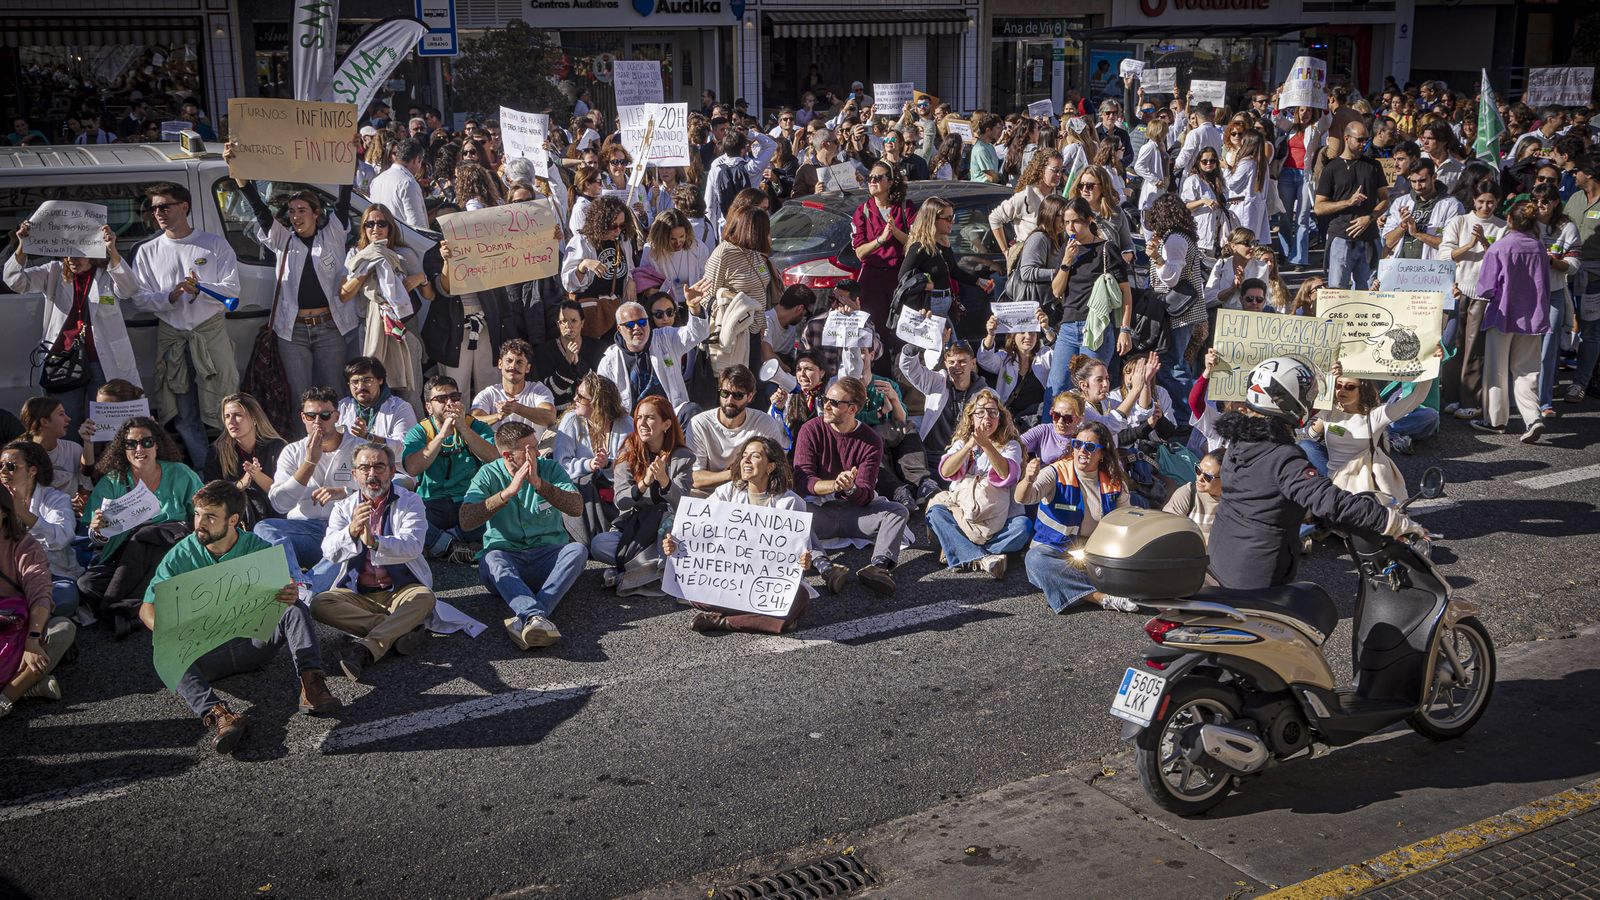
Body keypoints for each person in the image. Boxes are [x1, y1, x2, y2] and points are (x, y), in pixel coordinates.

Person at [141, 481, 339, 752]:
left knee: (294, 608)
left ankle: (311, 684)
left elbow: (284, 590)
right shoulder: (180, 555)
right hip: (207, 652)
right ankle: (219, 715)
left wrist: (288, 592)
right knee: (162, 647)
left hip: (253, 644)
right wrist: (164, 629)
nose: (200, 522)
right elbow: (146, 609)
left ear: (233, 520)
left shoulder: (255, 547)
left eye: (210, 516)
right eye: (197, 514)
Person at [1209, 356, 1423, 589]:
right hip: (1258, 572)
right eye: (1304, 393)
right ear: (1286, 400)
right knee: (1318, 608)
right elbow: (1331, 502)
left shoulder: (1238, 443)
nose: (1309, 400)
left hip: (1222, 557)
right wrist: (1392, 521)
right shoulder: (1283, 457)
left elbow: (1262, 496)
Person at [227, 162, 358, 419]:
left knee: (335, 393)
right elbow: (259, 209)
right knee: (302, 397)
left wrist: (349, 157)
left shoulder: (332, 235)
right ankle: (303, 451)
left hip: (330, 328)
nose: (296, 216)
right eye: (292, 211)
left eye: (302, 210)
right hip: (293, 332)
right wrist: (240, 174)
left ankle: (338, 445)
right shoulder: (283, 240)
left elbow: (344, 199)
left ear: (316, 213)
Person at [128, 182, 241, 466]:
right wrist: (171, 296)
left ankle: (228, 467)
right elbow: (139, 300)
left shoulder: (214, 245)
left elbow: (233, 290)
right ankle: (204, 470)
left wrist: (200, 288)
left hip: (209, 333)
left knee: (223, 405)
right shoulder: (147, 251)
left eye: (164, 206)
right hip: (173, 337)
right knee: (183, 412)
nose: (158, 213)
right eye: (154, 208)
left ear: (184, 207)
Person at [663, 436, 815, 634]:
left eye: (755, 456)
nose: (746, 461)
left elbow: (798, 556)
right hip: (731, 581)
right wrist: (675, 544)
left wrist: (804, 561)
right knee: (694, 592)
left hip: (767, 585)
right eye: (744, 456)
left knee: (799, 596)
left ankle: (722, 621)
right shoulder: (727, 492)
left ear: (770, 467)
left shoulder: (790, 502)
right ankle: (765, 620)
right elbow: (696, 530)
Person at [311, 443, 438, 682]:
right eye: (365, 468)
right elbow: (329, 551)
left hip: (401, 590)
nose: (372, 474)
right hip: (358, 594)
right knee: (319, 603)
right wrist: (350, 531)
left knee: (425, 598)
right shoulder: (344, 508)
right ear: (354, 475)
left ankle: (365, 648)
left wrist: (375, 542)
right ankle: (398, 630)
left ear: (391, 471)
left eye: (379, 467)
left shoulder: (410, 501)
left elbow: (413, 545)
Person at [460, 421, 587, 650]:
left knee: (577, 550)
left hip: (548, 558)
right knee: (492, 559)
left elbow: (576, 508)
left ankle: (531, 616)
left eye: (536, 447)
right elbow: (466, 519)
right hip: (507, 560)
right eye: (529, 449)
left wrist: (540, 485)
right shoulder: (488, 474)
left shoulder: (549, 469)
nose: (538, 453)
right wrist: (507, 493)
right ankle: (537, 616)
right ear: (508, 456)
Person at [79, 417, 203, 638]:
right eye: (131, 444)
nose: (139, 449)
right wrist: (97, 531)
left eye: (146, 442)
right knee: (87, 584)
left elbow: (202, 511)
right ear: (122, 448)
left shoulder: (180, 473)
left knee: (146, 535)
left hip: (170, 546)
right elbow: (97, 539)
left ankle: (118, 608)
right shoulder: (112, 481)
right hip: (125, 553)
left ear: (157, 444)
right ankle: (142, 611)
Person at [6, 221, 140, 426]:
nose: (71, 259)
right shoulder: (53, 271)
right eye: (67, 254)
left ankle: (101, 457)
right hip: (63, 360)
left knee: (106, 424)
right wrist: (23, 246)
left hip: (102, 360)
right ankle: (74, 457)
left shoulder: (107, 274)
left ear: (94, 253)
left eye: (78, 253)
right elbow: (16, 281)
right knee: (66, 423)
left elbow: (129, 288)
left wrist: (112, 250)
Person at [792, 376, 909, 596]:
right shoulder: (810, 429)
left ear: (853, 409)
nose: (826, 405)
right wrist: (834, 485)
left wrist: (850, 488)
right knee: (790, 507)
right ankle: (826, 568)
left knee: (898, 511)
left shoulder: (871, 440)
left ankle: (878, 568)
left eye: (834, 403)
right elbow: (802, 480)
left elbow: (865, 494)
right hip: (819, 510)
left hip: (855, 512)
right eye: (826, 399)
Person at [1016, 421, 1136, 613]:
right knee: (1035, 560)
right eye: (1077, 444)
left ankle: (1071, 588)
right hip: (1055, 552)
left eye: (1090, 447)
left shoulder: (1115, 481)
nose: (1082, 451)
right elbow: (1023, 498)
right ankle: (1102, 597)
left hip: (1094, 554)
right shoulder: (1055, 472)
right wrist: (1028, 480)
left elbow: (1126, 523)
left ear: (1102, 453)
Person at [590, 397, 695, 594]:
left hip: (666, 530)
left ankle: (631, 574)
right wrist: (644, 483)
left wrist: (664, 480)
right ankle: (656, 572)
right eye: (639, 418)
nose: (642, 423)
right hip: (635, 527)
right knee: (598, 544)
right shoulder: (629, 451)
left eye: (650, 418)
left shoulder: (683, 457)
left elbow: (682, 504)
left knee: (671, 535)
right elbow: (620, 499)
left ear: (666, 424)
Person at [260, 388, 368, 576]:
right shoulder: (292, 451)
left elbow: (381, 493)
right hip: (304, 528)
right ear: (303, 417)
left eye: (325, 415)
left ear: (337, 416)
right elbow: (280, 505)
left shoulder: (360, 448)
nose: (317, 422)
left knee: (352, 543)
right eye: (311, 416)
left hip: (344, 528)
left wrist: (345, 492)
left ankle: (308, 588)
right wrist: (310, 462)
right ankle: (296, 580)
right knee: (263, 528)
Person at [1042, 196, 1134, 412]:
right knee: (1056, 387)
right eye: (1065, 222)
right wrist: (1066, 262)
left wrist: (1125, 330)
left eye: (1075, 221)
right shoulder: (1067, 249)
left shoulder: (1106, 250)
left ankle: (1091, 437)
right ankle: (1049, 439)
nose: (1070, 227)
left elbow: (1126, 294)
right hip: (1068, 326)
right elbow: (1056, 291)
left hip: (1097, 327)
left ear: (1089, 220)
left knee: (1091, 391)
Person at [925, 389, 1030, 579]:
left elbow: (1006, 473)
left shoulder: (1010, 445)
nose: (986, 417)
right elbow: (946, 471)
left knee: (1022, 527)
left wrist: (987, 445)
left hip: (996, 517)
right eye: (980, 412)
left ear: (1000, 418)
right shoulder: (962, 442)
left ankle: (958, 548)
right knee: (935, 514)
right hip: (963, 514)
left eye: (992, 412)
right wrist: (968, 446)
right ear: (971, 418)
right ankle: (984, 559)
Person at [1473, 200, 1552, 443]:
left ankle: (1496, 421)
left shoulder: (1500, 247)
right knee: (1527, 371)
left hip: (1503, 314)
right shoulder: (1539, 247)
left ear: (1509, 221)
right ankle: (1533, 417)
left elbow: (1485, 288)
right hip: (1533, 316)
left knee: (1496, 370)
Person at [0, 475, 75, 720]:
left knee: (62, 629)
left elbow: (40, 590)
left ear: (3, 513)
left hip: (18, 625)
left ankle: (7, 698)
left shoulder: (24, 544)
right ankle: (30, 687)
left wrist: (33, 639)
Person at [341, 203, 430, 406]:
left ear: (390, 226)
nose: (375, 228)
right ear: (362, 228)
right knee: (372, 390)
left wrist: (420, 278)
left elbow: (429, 295)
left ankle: (411, 436)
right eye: (369, 224)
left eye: (381, 223)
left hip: (404, 329)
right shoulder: (357, 255)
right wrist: (367, 268)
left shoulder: (403, 254)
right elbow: (344, 295)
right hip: (371, 329)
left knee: (409, 391)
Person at [403, 374, 498, 563]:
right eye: (441, 399)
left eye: (454, 397)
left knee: (501, 509)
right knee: (403, 516)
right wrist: (440, 436)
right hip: (432, 503)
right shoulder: (420, 431)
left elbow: (494, 458)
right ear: (428, 406)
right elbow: (412, 468)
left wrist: (463, 428)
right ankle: (453, 545)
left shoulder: (473, 425)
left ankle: (442, 543)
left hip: (468, 501)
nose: (449, 403)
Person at [1439, 175, 1507, 419]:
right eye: (1480, 201)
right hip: (1457, 290)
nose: (1485, 207)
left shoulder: (1502, 227)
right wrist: (1469, 244)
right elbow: (1445, 256)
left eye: (1490, 202)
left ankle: (1470, 400)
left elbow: (1502, 263)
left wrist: (1486, 245)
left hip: (1483, 294)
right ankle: (1450, 396)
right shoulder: (1459, 222)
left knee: (1474, 348)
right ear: (1473, 200)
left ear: (1497, 202)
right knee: (1453, 345)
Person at [1144, 192, 1211, 425]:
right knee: (1177, 363)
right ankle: (1184, 413)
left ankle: (1186, 417)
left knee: (1174, 365)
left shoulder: (1175, 240)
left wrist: (1155, 258)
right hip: (1183, 312)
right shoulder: (1181, 237)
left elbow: (1171, 277)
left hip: (1179, 314)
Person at [0, 441, 81, 620]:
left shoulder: (56, 499)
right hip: (8, 577)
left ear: (32, 471)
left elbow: (62, 538)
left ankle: (21, 622)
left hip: (52, 574)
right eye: (0, 466)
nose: (3, 472)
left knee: (66, 598)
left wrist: (21, 512)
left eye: (11, 466)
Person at [597, 295, 710, 423]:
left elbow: (697, 333)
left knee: (692, 412)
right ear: (619, 329)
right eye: (629, 325)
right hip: (635, 424)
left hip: (670, 415)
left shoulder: (666, 338)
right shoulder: (609, 361)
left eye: (641, 322)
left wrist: (694, 307)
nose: (637, 328)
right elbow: (605, 402)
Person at [554, 372, 632, 545]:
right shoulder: (571, 420)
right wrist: (589, 464)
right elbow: (560, 466)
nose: (575, 398)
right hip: (582, 490)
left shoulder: (625, 423)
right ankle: (585, 538)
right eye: (577, 393)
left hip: (615, 488)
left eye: (581, 396)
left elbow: (632, 464)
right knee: (582, 484)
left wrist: (608, 464)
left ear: (598, 403)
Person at [703, 204, 779, 378]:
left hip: (755, 333)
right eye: (765, 230)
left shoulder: (755, 253)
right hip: (735, 335)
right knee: (735, 384)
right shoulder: (723, 254)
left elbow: (761, 287)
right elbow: (707, 297)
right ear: (753, 231)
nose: (769, 234)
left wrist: (761, 325)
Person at [688, 364, 790, 493]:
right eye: (725, 393)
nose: (729, 400)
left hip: (750, 493)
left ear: (750, 396)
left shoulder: (764, 423)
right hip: (708, 494)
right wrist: (737, 473)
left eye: (737, 395)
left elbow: (776, 468)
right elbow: (695, 479)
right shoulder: (700, 423)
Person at [851, 162, 916, 359]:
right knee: (875, 332)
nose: (873, 181)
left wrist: (895, 232)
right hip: (873, 280)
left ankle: (903, 378)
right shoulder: (863, 211)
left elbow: (916, 242)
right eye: (870, 178)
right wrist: (880, 240)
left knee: (902, 332)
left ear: (890, 182)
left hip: (900, 278)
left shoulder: (905, 207)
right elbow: (860, 252)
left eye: (878, 178)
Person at [896, 197, 995, 322]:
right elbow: (903, 277)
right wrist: (926, 285)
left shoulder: (944, 242)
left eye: (952, 217)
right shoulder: (919, 246)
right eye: (948, 218)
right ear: (933, 220)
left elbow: (953, 270)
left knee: (950, 340)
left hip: (945, 304)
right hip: (929, 307)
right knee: (945, 340)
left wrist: (978, 281)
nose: (952, 222)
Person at [1315, 122, 1387, 290]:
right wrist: (1348, 202)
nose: (1364, 144)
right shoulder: (1332, 168)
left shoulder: (1373, 166)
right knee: (1337, 291)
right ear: (1347, 138)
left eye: (1367, 140)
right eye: (1360, 140)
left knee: (1370, 291)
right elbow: (1319, 207)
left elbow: (1384, 199)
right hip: (1341, 236)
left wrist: (1369, 218)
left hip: (1369, 236)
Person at [899, 339, 993, 464]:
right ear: (945, 364)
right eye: (952, 362)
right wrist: (913, 347)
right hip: (931, 455)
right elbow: (910, 369)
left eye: (962, 361)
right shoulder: (937, 382)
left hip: (966, 458)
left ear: (973, 363)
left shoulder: (987, 395)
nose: (957, 366)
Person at [204, 392, 286, 529]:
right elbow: (211, 495)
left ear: (254, 419)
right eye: (227, 416)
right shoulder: (217, 452)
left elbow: (286, 496)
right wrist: (240, 485)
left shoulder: (276, 447)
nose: (231, 421)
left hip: (276, 516)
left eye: (238, 415)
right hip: (236, 520)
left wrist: (257, 476)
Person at [561, 196, 637, 342]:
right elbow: (567, 283)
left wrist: (631, 280)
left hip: (615, 310)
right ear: (600, 223)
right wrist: (583, 266)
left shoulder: (622, 240)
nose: (618, 230)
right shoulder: (581, 242)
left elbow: (629, 268)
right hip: (589, 314)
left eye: (621, 225)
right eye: (613, 226)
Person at [1532, 183, 1578, 415]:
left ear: (1555, 202)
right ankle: (1523, 396)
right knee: (1526, 346)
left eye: (1545, 201)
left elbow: (1573, 266)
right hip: (1526, 293)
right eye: (1536, 201)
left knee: (1548, 348)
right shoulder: (1526, 222)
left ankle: (1544, 401)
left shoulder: (1566, 227)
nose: (1540, 206)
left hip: (1554, 292)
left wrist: (1551, 261)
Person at [469, 338, 557, 439]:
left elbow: (550, 418)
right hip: (499, 453)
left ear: (527, 368)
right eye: (509, 361)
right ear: (500, 364)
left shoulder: (539, 390)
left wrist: (516, 408)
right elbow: (473, 422)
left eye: (519, 362)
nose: (513, 366)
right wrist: (498, 416)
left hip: (537, 452)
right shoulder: (488, 394)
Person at [979, 310, 1053, 430]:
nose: (1028, 336)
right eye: (1022, 332)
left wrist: (1046, 328)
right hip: (1011, 423)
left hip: (1038, 422)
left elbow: (1061, 356)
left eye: (1032, 332)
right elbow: (984, 359)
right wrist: (991, 334)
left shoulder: (1045, 355)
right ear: (1013, 336)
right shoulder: (1005, 359)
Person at [1381, 159, 1464, 261]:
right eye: (1413, 181)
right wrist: (1403, 226)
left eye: (1422, 181)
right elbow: (1388, 242)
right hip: (1400, 270)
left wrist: (1417, 233)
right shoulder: (1401, 202)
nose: (1417, 186)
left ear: (1434, 177)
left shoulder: (1452, 205)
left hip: (1432, 270)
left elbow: (1451, 243)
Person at [704, 127, 778, 238]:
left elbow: (709, 205)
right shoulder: (753, 168)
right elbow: (771, 145)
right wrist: (750, 134)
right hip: (750, 224)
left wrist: (712, 234)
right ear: (743, 149)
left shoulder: (716, 170)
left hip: (725, 226)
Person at [338, 357, 417, 459]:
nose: (360, 386)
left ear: (380, 380)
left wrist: (368, 437)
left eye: (367, 380)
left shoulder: (401, 408)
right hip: (351, 470)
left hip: (393, 471)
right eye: (355, 381)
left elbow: (405, 448)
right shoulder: (342, 407)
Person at [534, 300, 605, 413]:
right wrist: (568, 359)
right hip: (559, 416)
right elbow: (549, 391)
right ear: (558, 324)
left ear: (582, 323)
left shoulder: (597, 348)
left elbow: (599, 387)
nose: (568, 326)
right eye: (563, 321)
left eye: (573, 321)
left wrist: (578, 362)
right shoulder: (544, 351)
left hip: (591, 412)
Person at [19, 397, 92, 499]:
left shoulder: (73, 449)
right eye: (61, 414)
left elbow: (85, 489)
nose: (68, 419)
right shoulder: (20, 454)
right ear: (44, 421)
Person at [639, 209, 711, 307]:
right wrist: (647, 290)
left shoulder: (698, 248)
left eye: (682, 236)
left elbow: (705, 278)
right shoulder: (651, 251)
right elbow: (643, 278)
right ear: (662, 237)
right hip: (663, 306)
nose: (678, 242)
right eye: (672, 239)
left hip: (692, 304)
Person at [1181, 147, 1232, 263]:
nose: (1208, 164)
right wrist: (1203, 201)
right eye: (1204, 161)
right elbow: (1185, 206)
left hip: (1218, 231)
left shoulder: (1219, 180)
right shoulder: (1193, 180)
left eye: (1212, 161)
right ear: (1199, 162)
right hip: (1201, 231)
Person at [1162, 448, 1223, 545]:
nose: (1200, 478)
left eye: (1207, 476)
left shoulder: (1237, 503)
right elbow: (1167, 531)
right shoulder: (1188, 493)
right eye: (1198, 470)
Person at [369, 138, 429, 231]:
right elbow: (417, 225)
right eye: (420, 161)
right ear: (416, 159)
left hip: (381, 237)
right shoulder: (407, 183)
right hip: (403, 241)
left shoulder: (377, 180)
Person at [1019, 392, 1086, 465]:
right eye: (1056, 415)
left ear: (1079, 419)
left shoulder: (1084, 439)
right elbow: (1017, 445)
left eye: (1067, 418)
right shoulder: (1044, 430)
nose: (1060, 421)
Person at [968, 115, 1004, 184]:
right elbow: (991, 177)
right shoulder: (981, 149)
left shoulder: (990, 146)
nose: (1000, 131)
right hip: (981, 190)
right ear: (988, 130)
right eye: (998, 128)